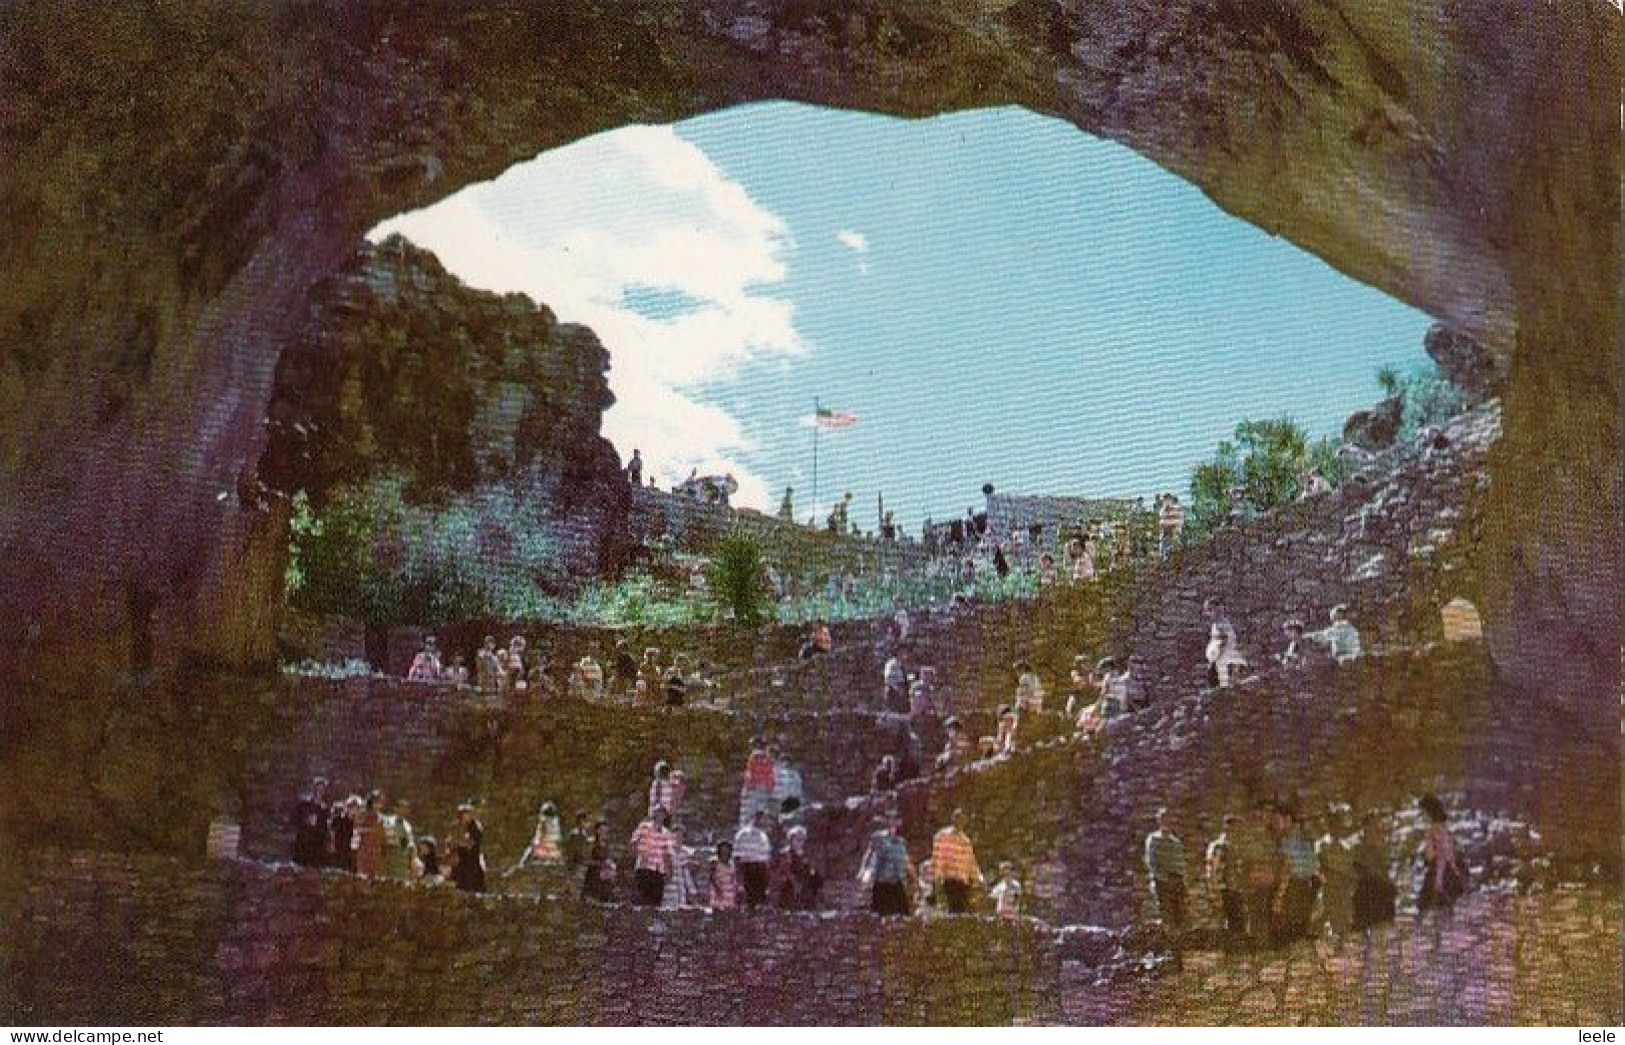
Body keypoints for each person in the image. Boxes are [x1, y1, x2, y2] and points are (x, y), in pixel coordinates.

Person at [1416, 793, 1468, 912]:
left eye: (1422, 813)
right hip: (1448, 875)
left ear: (1428, 813)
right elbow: (1449, 855)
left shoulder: (1433, 831)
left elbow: (1433, 856)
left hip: (1437, 876)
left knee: (1427, 908)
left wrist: (1438, 881)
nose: (1421, 817)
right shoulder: (1444, 829)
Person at [1276, 810, 1320, 943]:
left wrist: (1280, 893)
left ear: (1289, 820)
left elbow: (1287, 867)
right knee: (1300, 921)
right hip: (1306, 883)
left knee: (1292, 922)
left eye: (1279, 821)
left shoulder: (1288, 841)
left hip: (1295, 884)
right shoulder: (1306, 841)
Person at [859, 812, 915, 917]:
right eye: (890, 821)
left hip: (897, 880)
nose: (893, 825)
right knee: (882, 913)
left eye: (895, 822)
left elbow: (905, 859)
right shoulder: (878, 838)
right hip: (882, 881)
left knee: (902, 914)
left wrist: (913, 876)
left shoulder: (901, 841)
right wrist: (864, 871)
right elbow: (871, 854)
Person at [1144, 808, 1188, 939]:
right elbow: (1151, 861)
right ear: (1159, 820)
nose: (1166, 821)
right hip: (1162, 881)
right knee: (1165, 912)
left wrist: (1181, 879)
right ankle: (1166, 942)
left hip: (1177, 881)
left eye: (1168, 818)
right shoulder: (1154, 839)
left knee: (1178, 913)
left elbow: (1180, 862)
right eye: (1163, 818)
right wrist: (1163, 878)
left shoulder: (1175, 841)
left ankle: (1177, 943)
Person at [930, 809, 985, 914]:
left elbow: (971, 862)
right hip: (950, 878)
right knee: (954, 909)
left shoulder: (965, 840)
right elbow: (938, 858)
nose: (961, 822)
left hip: (963, 881)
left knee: (964, 910)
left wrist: (979, 878)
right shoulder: (943, 836)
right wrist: (936, 878)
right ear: (953, 819)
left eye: (963, 819)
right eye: (959, 818)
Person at [1315, 805, 1357, 938]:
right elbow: (1317, 865)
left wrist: (1351, 884)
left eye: (1337, 824)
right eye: (1332, 823)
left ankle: (1341, 942)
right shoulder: (1321, 844)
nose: (1335, 827)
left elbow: (1351, 868)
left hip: (1343, 886)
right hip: (1328, 885)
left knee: (1342, 916)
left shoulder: (1347, 846)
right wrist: (1322, 878)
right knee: (1325, 914)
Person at [1206, 814, 1248, 944]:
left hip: (1235, 889)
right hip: (1224, 890)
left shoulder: (1236, 846)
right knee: (1226, 923)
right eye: (1236, 827)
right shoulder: (1218, 846)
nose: (1238, 830)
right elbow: (1212, 869)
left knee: (1239, 921)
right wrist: (1214, 891)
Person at [1351, 809, 1396, 931]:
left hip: (1382, 904)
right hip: (1368, 903)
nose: (1378, 832)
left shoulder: (1382, 851)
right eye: (1374, 828)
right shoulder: (1358, 850)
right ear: (1365, 829)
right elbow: (1364, 873)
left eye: (1379, 829)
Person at [629, 808, 674, 907]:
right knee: (641, 898)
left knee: (656, 901)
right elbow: (633, 843)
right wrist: (640, 853)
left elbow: (668, 854)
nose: (660, 816)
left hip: (658, 870)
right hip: (644, 867)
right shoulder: (644, 827)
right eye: (658, 813)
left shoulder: (666, 833)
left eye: (662, 814)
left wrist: (669, 871)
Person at [510, 801, 564, 879]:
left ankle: (521, 866)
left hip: (545, 849)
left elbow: (539, 837)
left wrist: (535, 843)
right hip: (553, 849)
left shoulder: (545, 821)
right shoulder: (555, 822)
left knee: (528, 852)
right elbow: (557, 838)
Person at [775, 825, 823, 910]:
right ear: (791, 840)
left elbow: (810, 867)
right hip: (790, 879)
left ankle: (811, 903)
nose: (800, 842)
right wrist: (795, 881)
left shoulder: (805, 854)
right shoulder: (786, 853)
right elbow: (785, 869)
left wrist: (813, 872)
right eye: (797, 839)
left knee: (816, 878)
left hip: (804, 878)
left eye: (802, 839)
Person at [733, 810, 775, 908]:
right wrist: (739, 876)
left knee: (760, 899)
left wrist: (767, 873)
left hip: (761, 869)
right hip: (748, 867)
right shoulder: (743, 834)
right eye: (764, 819)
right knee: (748, 898)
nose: (766, 822)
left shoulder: (763, 836)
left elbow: (766, 857)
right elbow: (737, 856)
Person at [1204, 597, 1244, 688]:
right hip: (1219, 661)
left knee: (1220, 687)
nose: (1208, 614)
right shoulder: (1218, 624)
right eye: (1207, 610)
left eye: (1210, 610)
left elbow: (1225, 641)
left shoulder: (1222, 624)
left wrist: (1217, 658)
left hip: (1222, 662)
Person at [290, 777, 330, 868]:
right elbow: (294, 819)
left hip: (316, 843)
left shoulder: (324, 808)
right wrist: (305, 821)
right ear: (314, 789)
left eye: (322, 789)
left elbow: (325, 827)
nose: (320, 792)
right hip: (304, 840)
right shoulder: (303, 804)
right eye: (318, 789)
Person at [450, 802, 487, 893]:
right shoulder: (457, 826)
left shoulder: (475, 827)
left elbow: (470, 844)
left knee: (474, 887)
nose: (465, 816)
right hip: (460, 862)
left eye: (467, 813)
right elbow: (450, 841)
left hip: (472, 862)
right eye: (463, 814)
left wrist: (458, 841)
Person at [739, 739, 776, 825]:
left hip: (758, 789)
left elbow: (765, 774)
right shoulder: (761, 757)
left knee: (754, 814)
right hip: (757, 788)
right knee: (752, 814)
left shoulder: (759, 756)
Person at [381, 798, 416, 880]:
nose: (404, 810)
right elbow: (386, 838)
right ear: (395, 808)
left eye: (406, 808)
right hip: (392, 855)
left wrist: (411, 857)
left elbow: (408, 842)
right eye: (402, 808)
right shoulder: (389, 821)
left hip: (403, 857)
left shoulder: (407, 825)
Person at [581, 819, 614, 902]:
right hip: (592, 879)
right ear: (596, 831)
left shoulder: (606, 845)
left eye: (606, 831)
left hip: (604, 879)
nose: (604, 833)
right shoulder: (591, 843)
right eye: (601, 830)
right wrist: (601, 864)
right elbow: (584, 861)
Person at [354, 791, 385, 877]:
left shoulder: (381, 817)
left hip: (375, 850)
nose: (378, 804)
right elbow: (356, 829)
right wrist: (370, 831)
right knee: (362, 875)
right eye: (376, 801)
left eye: (380, 802)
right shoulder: (363, 814)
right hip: (364, 848)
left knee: (374, 876)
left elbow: (383, 833)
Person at [328, 796, 357, 872]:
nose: (353, 810)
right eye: (352, 808)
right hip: (339, 847)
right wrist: (332, 844)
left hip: (350, 848)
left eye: (356, 808)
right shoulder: (338, 819)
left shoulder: (356, 820)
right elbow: (332, 831)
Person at [709, 841, 740, 910]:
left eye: (727, 850)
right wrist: (718, 889)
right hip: (719, 892)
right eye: (723, 850)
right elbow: (712, 877)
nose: (725, 852)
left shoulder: (732, 864)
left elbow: (734, 877)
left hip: (730, 892)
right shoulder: (715, 862)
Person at [1158, 494, 1184, 559]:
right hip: (1165, 533)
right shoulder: (1162, 510)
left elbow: (1179, 521)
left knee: (1175, 545)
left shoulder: (1176, 509)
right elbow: (1162, 522)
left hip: (1174, 532)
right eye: (1165, 500)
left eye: (1168, 499)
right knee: (1163, 545)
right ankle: (1163, 558)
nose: (1166, 501)